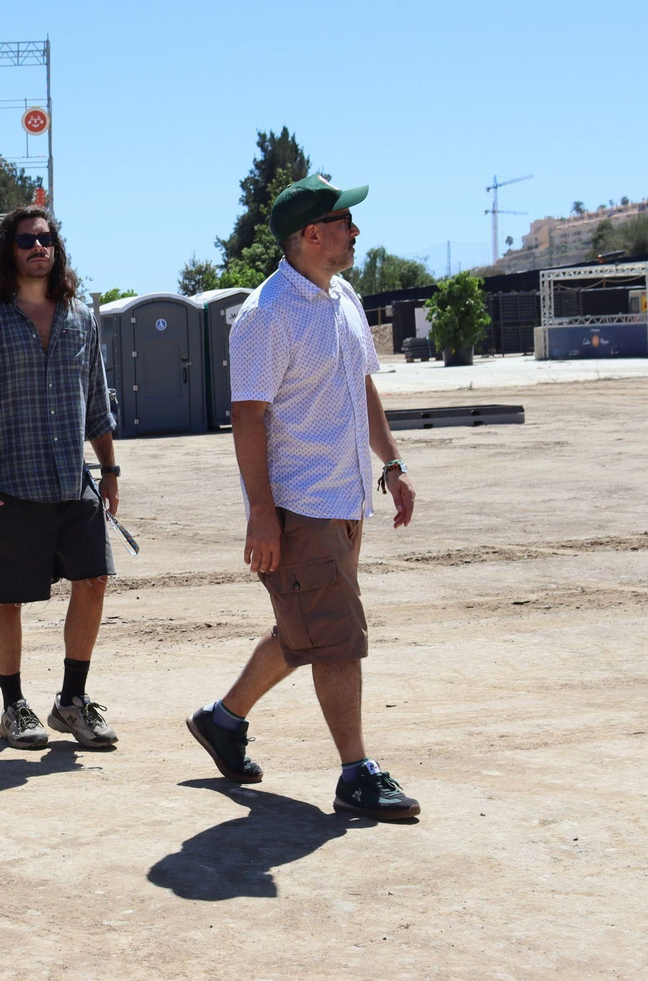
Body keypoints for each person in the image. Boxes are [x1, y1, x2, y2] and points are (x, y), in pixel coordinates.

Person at [186, 174, 422, 821]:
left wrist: (392, 464)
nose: (356, 230)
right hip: (300, 509)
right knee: (338, 638)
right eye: (346, 220)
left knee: (306, 631)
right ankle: (355, 773)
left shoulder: (342, 297)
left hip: (346, 502)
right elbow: (247, 416)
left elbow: (361, 387)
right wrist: (262, 513)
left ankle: (223, 720)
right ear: (312, 234)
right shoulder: (266, 316)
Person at [0, 205, 122, 749]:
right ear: (7, 252)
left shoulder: (80, 318)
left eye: (45, 240)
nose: (37, 248)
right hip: (7, 488)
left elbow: (97, 405)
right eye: (25, 242)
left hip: (73, 481)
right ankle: (13, 706)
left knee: (93, 581)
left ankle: (71, 701)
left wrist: (109, 470)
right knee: (7, 598)